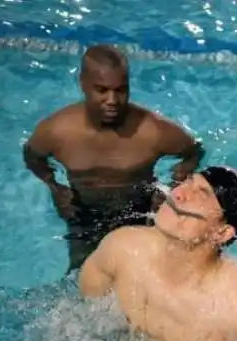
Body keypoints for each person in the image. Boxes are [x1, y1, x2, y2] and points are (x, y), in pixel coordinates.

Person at [78, 165, 237, 341]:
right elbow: (81, 316)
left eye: (202, 195)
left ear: (222, 232)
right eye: (187, 183)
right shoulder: (122, 249)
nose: (178, 194)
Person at [23, 44, 204, 272]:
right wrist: (54, 186)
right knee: (81, 281)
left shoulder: (154, 131)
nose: (112, 100)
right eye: (102, 90)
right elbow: (33, 157)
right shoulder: (57, 132)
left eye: (121, 90)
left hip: (140, 213)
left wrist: (174, 184)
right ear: (83, 84)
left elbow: (193, 152)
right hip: (85, 215)